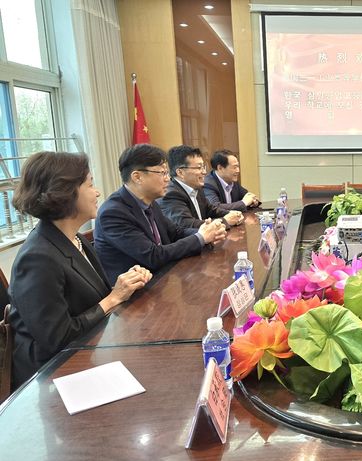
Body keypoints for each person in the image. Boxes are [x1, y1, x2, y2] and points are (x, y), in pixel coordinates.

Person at [8, 151, 152, 388]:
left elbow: (93, 297)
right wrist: (113, 298)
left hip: (88, 351)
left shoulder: (74, 238)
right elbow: (56, 338)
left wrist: (126, 285)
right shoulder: (37, 257)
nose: (97, 192)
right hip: (51, 375)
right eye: (90, 185)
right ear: (64, 192)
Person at [94, 144, 227, 282]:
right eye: (162, 173)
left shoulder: (150, 201)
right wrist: (201, 237)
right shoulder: (113, 213)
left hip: (161, 280)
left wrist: (208, 232)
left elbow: (176, 232)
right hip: (134, 295)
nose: (168, 179)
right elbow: (153, 256)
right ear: (137, 177)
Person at [158, 145, 244, 229]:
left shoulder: (196, 187)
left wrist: (232, 214)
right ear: (180, 173)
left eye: (203, 167)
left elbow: (210, 209)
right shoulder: (171, 194)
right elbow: (186, 224)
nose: (204, 172)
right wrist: (225, 221)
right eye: (199, 167)